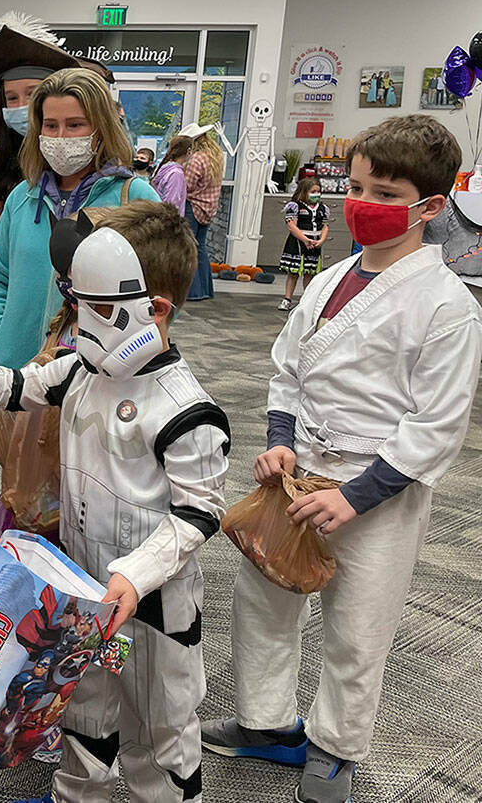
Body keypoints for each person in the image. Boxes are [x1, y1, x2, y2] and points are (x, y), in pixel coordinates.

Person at [202, 115, 482, 803]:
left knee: (358, 625)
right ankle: (268, 723)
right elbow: (287, 372)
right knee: (262, 598)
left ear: (432, 207)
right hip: (301, 473)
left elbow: (436, 425)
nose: (360, 203)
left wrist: (356, 495)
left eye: (383, 192)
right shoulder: (329, 283)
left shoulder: (448, 306)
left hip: (378, 486)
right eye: (356, 186)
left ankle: (335, 748)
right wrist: (279, 437)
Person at [0, 200, 229, 802]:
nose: (81, 320)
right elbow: (19, 388)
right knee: (83, 711)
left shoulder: (186, 410)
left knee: (159, 727)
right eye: (76, 299)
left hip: (154, 604)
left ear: (154, 309)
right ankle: (76, 795)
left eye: (97, 307)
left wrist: (135, 577)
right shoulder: (82, 369)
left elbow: (198, 514)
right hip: (84, 587)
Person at [0, 67, 159, 370]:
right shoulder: (22, 197)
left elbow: (168, 288)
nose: (60, 137)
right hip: (16, 376)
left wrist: (132, 352)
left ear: (101, 128)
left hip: (100, 378)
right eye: (50, 125)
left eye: (75, 125)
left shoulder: (136, 198)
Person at [0, 14, 114, 327]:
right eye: (11, 98)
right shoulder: (18, 188)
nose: (22, 106)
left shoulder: (122, 191)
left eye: (74, 124)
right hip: (18, 339)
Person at [179, 122, 224, 302]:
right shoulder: (216, 156)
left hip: (194, 206)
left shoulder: (197, 158)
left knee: (190, 248)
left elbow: (187, 185)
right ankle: (206, 288)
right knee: (201, 248)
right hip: (209, 207)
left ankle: (193, 291)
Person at [276, 177, 329, 311]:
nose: (316, 194)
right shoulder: (295, 206)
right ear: (304, 191)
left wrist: (321, 240)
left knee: (310, 273)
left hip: (314, 244)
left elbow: (325, 226)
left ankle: (306, 301)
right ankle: (287, 299)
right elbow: (291, 226)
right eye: (313, 191)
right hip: (298, 243)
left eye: (318, 191)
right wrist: (305, 239)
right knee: (293, 273)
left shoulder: (322, 208)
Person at [150, 135, 192, 216]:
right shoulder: (176, 174)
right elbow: (172, 204)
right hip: (169, 221)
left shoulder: (164, 166)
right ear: (188, 151)